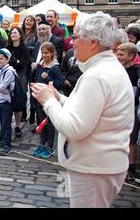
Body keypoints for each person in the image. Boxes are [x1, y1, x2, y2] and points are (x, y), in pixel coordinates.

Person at [31, 12, 134, 208]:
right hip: (98, 166)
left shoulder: (97, 75)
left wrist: (48, 102)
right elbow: (88, 110)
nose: (72, 42)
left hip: (94, 168)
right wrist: (58, 97)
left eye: (77, 37)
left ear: (93, 42)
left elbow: (74, 127)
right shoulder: (106, 68)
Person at [32, 42, 64, 159]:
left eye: (47, 53)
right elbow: (37, 79)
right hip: (39, 98)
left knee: (49, 124)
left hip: (49, 99)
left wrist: (49, 78)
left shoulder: (54, 67)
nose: (45, 55)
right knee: (41, 123)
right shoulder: (40, 65)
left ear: (52, 53)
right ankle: (42, 144)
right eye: (43, 52)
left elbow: (60, 83)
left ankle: (50, 147)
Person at [116, 42, 140, 181]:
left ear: (132, 56)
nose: (118, 57)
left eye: (121, 54)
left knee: (131, 138)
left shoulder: (136, 70)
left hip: (132, 108)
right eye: (117, 54)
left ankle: (130, 167)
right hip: (118, 108)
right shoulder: (115, 69)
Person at [0, 48, 15, 156]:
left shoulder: (9, 72)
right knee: (2, 122)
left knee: (6, 123)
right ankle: (3, 140)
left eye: (1, 59)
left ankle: (7, 145)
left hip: (6, 101)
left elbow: (2, 86)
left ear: (7, 59)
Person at [7, 27, 30, 138]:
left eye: (15, 32)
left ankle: (17, 126)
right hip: (8, 76)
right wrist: (16, 61)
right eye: (11, 33)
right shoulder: (7, 48)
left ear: (20, 35)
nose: (13, 34)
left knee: (19, 102)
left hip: (20, 77)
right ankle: (6, 125)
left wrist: (12, 61)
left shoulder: (24, 48)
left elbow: (22, 65)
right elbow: (4, 62)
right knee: (7, 101)